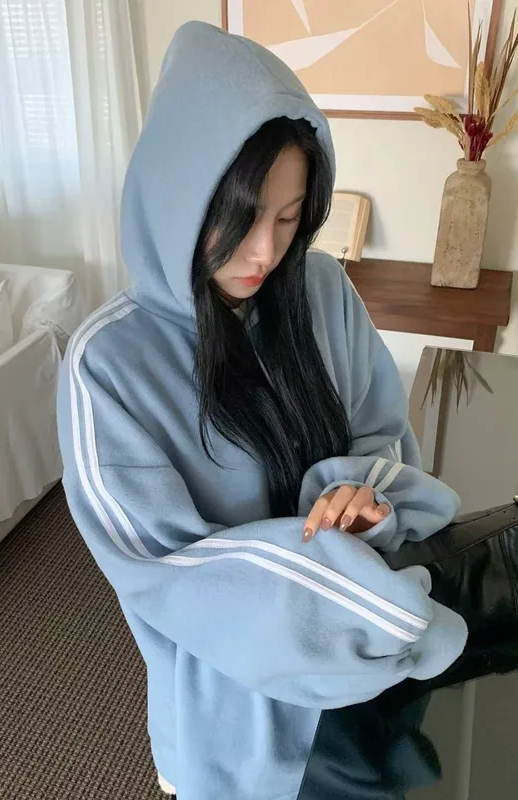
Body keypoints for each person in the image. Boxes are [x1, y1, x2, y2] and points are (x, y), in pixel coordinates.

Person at [57, 21, 467, 800]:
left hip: (363, 677)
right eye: (241, 217)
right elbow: (164, 573)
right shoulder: (106, 366)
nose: (264, 253)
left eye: (288, 218)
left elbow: (385, 438)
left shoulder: (322, 292)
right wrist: (351, 589)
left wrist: (360, 502)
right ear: (177, 196)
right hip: (232, 713)